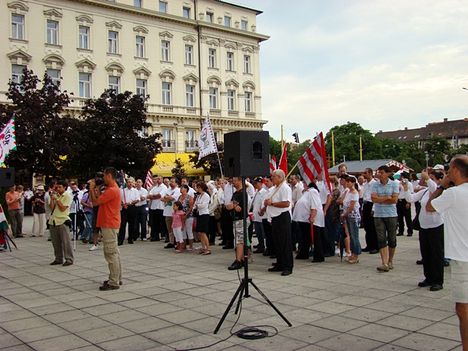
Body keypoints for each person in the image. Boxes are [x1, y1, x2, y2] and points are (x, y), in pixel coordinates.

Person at [426, 155, 468, 349]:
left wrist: (442, 185)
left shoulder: (453, 193)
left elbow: (429, 207)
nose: (447, 173)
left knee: (464, 310)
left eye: (449, 170)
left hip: (463, 258)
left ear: (457, 172)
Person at [403, 169, 444, 291]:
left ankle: (438, 280)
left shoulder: (439, 190)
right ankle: (429, 277)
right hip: (424, 227)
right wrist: (405, 189)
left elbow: (434, 188)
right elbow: (410, 198)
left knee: (436, 254)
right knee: (426, 253)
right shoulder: (425, 191)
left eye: (431, 178)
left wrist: (427, 178)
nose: (427, 180)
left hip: (436, 226)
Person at [89, 167, 122, 291]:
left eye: (104, 176)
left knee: (110, 253)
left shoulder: (112, 190)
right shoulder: (110, 189)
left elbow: (95, 202)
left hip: (109, 223)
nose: (102, 178)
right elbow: (100, 199)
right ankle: (117, 277)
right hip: (109, 223)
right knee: (114, 252)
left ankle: (114, 282)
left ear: (109, 176)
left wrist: (92, 189)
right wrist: (96, 189)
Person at [264, 169, 293, 276]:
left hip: (282, 217)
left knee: (285, 243)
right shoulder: (274, 188)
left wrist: (272, 204)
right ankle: (280, 263)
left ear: (280, 177)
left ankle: (287, 266)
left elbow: (286, 203)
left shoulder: (285, 188)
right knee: (278, 242)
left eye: (274, 176)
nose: (272, 178)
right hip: (275, 217)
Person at [371, 165, 399, 272]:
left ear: (387, 173)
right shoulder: (375, 185)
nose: (379, 175)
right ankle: (384, 262)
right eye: (379, 172)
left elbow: (394, 200)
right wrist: (386, 198)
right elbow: (373, 198)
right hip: (378, 214)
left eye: (382, 172)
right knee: (381, 238)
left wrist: (380, 199)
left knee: (392, 238)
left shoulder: (394, 184)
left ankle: (390, 259)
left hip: (391, 214)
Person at [49, 180, 74, 266]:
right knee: (55, 242)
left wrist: (56, 199)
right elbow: (52, 208)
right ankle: (58, 258)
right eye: (57, 187)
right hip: (53, 220)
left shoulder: (67, 195)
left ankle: (69, 259)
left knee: (66, 242)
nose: (58, 189)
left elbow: (63, 208)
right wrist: (52, 199)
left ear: (65, 187)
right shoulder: (57, 195)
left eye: (60, 187)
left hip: (63, 220)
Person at [227, 177, 249, 270]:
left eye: (235, 181)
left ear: (240, 181)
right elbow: (228, 206)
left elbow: (239, 207)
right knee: (238, 239)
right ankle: (242, 259)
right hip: (235, 219)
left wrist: (233, 205)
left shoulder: (243, 193)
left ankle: (238, 260)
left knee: (239, 241)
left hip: (241, 219)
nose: (233, 183)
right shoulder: (235, 193)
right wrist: (234, 205)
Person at [341, 175, 361, 264]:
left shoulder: (354, 193)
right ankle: (353, 253)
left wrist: (345, 214)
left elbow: (352, 206)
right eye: (347, 181)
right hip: (348, 216)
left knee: (354, 236)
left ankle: (356, 254)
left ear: (353, 183)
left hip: (353, 216)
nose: (347, 183)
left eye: (349, 182)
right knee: (350, 235)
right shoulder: (348, 191)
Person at [361, 168, 378, 254]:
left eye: (365, 173)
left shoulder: (375, 184)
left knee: (373, 227)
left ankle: (375, 246)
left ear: (370, 173)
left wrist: (374, 208)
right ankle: (369, 245)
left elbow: (375, 196)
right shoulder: (365, 184)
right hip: (366, 204)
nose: (364, 175)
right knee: (367, 227)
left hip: (372, 204)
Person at [118, 177, 139, 245]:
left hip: (132, 208)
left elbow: (137, 200)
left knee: (132, 224)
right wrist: (123, 204)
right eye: (128, 182)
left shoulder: (135, 191)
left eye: (131, 182)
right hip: (124, 208)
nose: (130, 183)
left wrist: (130, 203)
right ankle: (120, 240)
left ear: (133, 183)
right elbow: (119, 199)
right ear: (126, 183)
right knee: (122, 224)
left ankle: (130, 238)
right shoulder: (122, 190)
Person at [162, 178, 181, 248]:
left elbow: (172, 198)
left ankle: (177, 242)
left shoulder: (178, 190)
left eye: (172, 182)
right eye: (170, 181)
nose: (170, 183)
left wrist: (166, 197)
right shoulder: (167, 190)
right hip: (167, 211)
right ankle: (171, 242)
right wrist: (167, 197)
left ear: (176, 183)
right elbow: (162, 198)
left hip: (174, 212)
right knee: (169, 228)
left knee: (176, 228)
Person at [148, 176, 167, 241]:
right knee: (154, 223)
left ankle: (163, 235)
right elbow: (149, 195)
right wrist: (154, 196)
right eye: (157, 179)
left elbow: (160, 195)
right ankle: (155, 236)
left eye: (159, 179)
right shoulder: (154, 187)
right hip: (154, 207)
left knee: (161, 222)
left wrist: (153, 196)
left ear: (162, 179)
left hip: (160, 207)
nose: (158, 180)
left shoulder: (164, 187)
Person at [193, 181, 211, 255]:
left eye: (198, 187)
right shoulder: (199, 195)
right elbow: (195, 204)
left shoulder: (206, 195)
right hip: (199, 214)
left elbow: (204, 205)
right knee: (199, 232)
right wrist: (196, 206)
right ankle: (203, 247)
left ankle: (208, 248)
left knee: (203, 232)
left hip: (204, 214)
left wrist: (197, 205)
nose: (197, 189)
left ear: (202, 188)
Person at [252, 177, 267, 254]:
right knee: (258, 233)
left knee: (262, 232)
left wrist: (261, 211)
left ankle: (263, 246)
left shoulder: (264, 192)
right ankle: (260, 244)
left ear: (261, 183)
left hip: (261, 216)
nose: (255, 185)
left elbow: (263, 203)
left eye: (256, 183)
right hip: (256, 216)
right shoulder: (256, 192)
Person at [397, 172, 414, 237]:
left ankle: (410, 231)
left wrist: (408, 202)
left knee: (408, 217)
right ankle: (401, 231)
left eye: (401, 176)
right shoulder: (399, 183)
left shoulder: (409, 184)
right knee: (400, 217)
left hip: (405, 200)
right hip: (399, 200)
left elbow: (411, 193)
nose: (400, 177)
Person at [179, 184, 194, 251]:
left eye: (182, 188)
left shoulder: (189, 197)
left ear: (185, 189)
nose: (180, 189)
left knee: (189, 230)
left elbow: (191, 208)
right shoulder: (179, 197)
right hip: (180, 216)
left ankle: (191, 246)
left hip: (188, 216)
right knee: (183, 231)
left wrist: (186, 215)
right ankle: (184, 245)